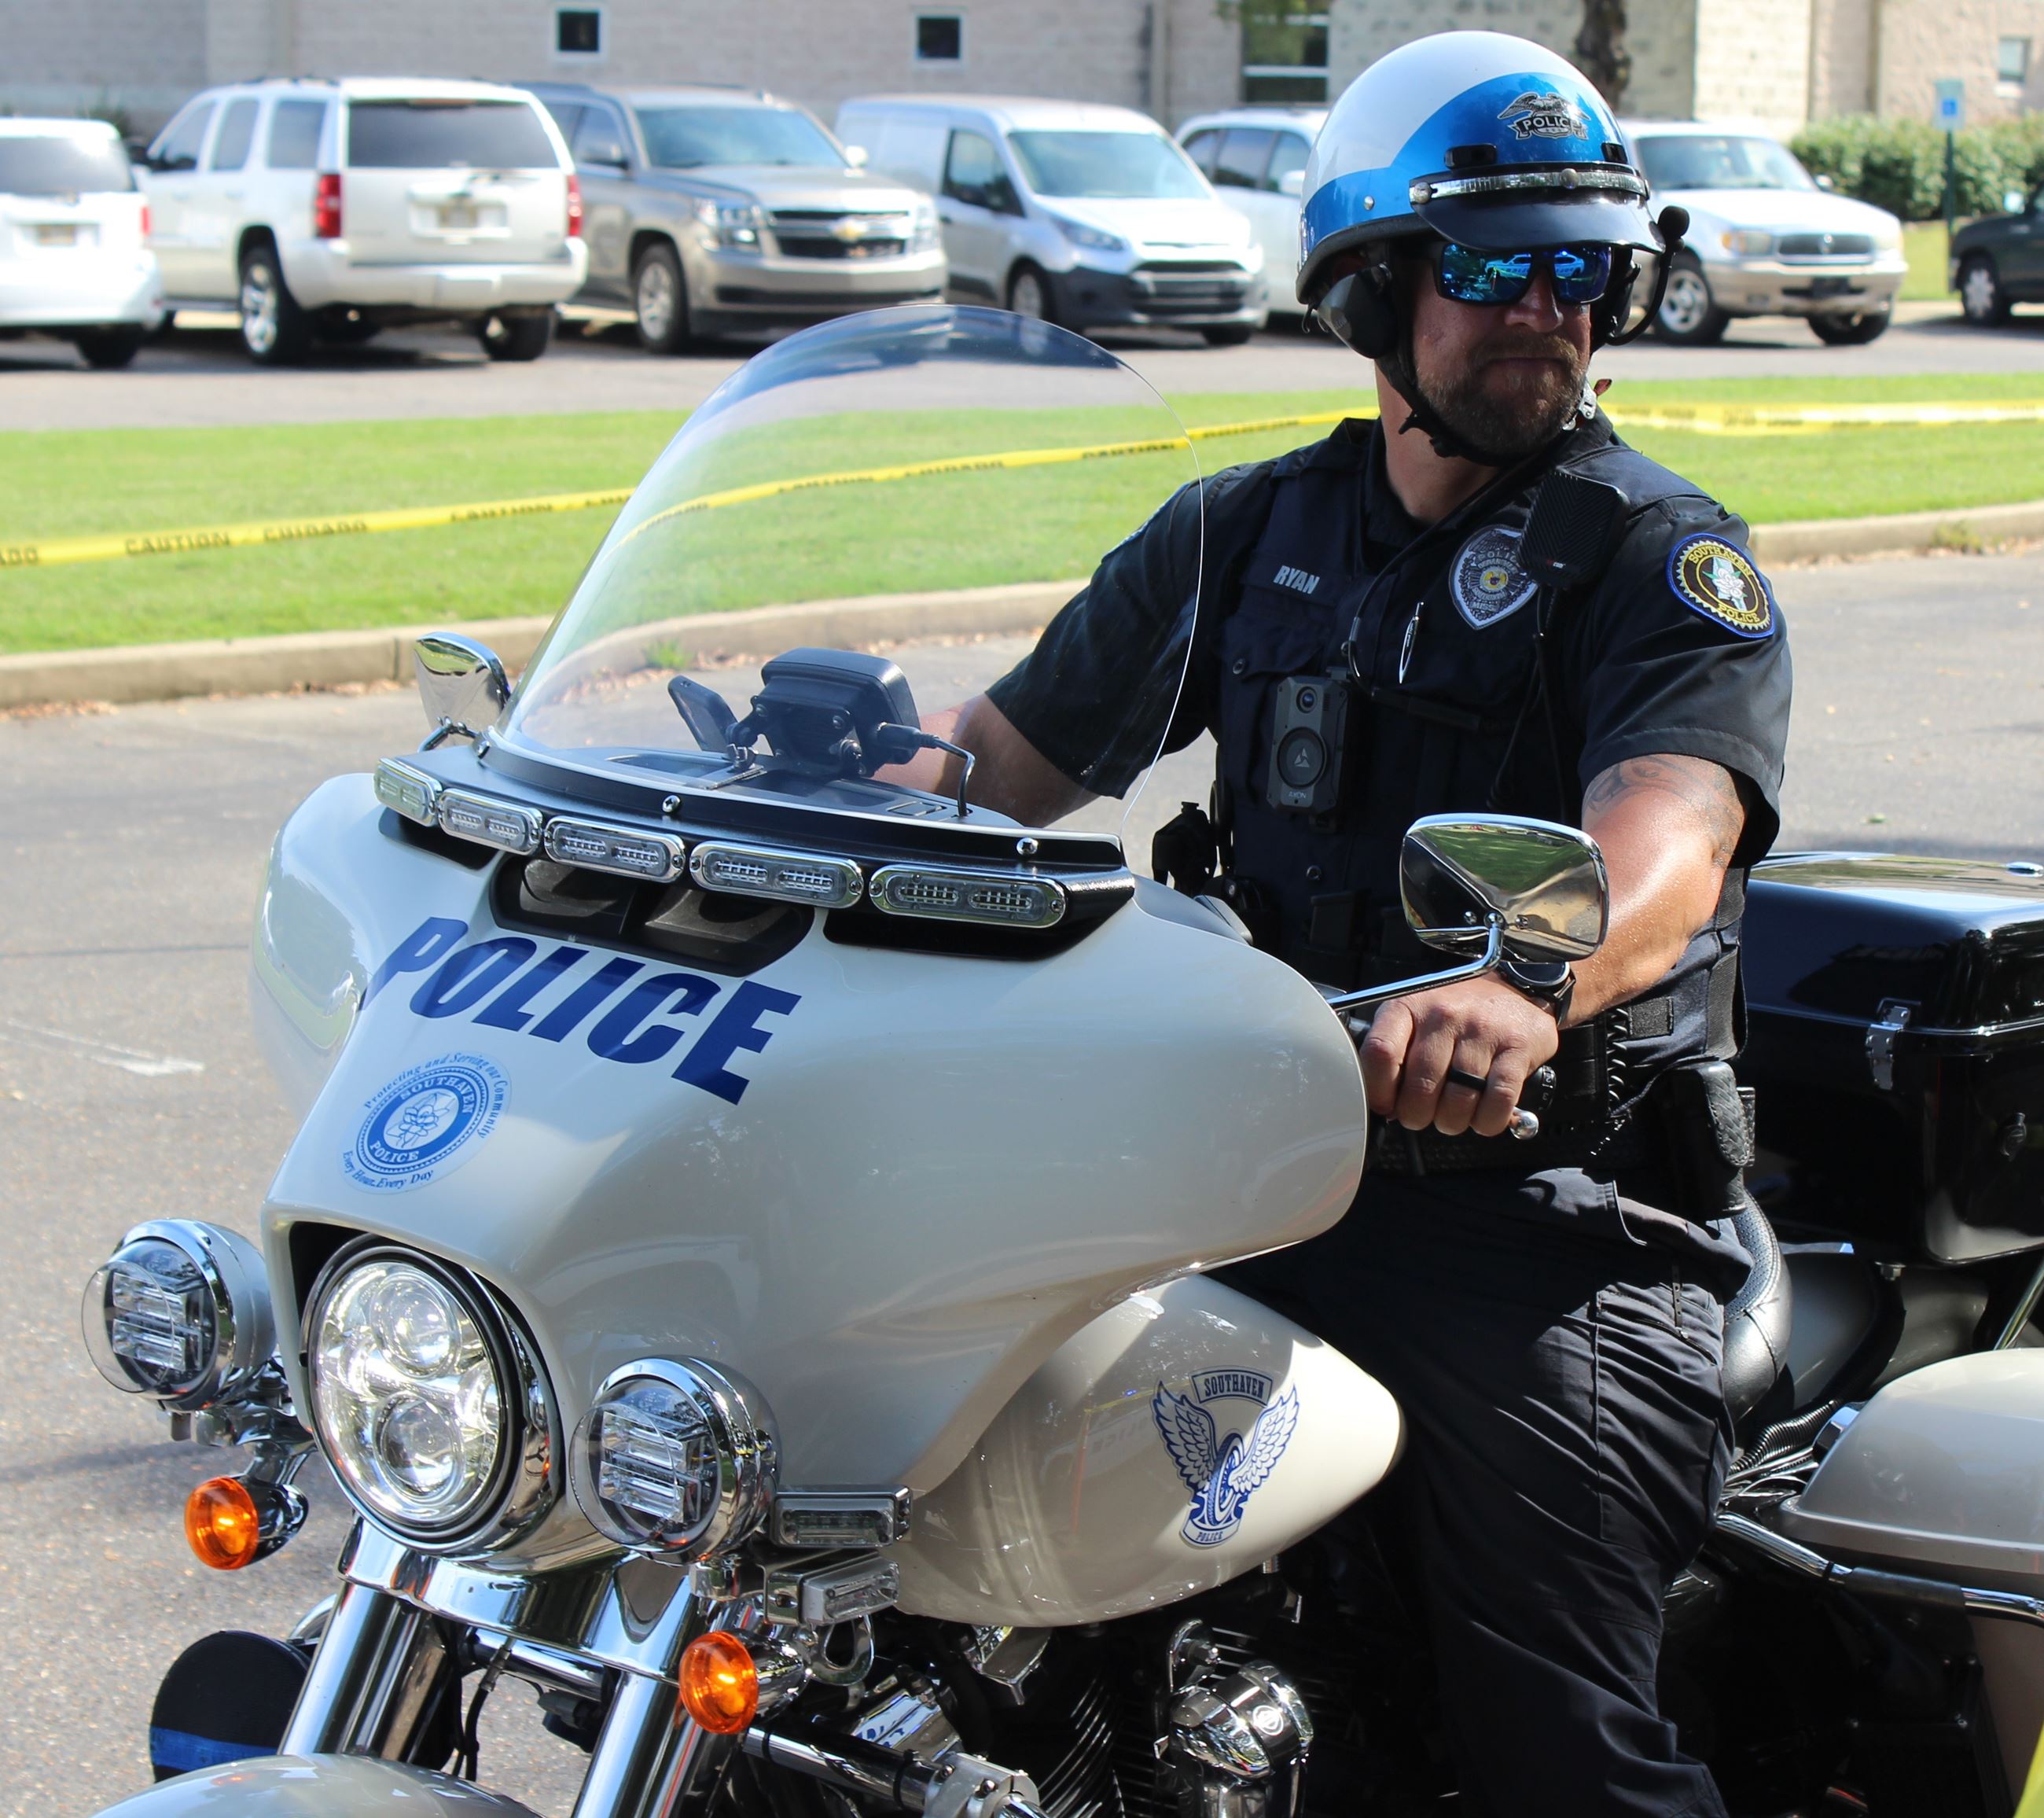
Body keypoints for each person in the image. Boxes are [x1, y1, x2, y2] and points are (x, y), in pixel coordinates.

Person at [923, 30, 1792, 1816]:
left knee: (1556, 1749)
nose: (1547, 311)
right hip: (1234, 1176)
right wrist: (823, 790)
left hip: (1545, 1225)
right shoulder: (1243, 536)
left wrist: (1525, 979)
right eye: (1493, 269)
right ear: (1372, 292)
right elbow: (997, 761)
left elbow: (1675, 830)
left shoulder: (1656, 562)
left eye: (1585, 269)